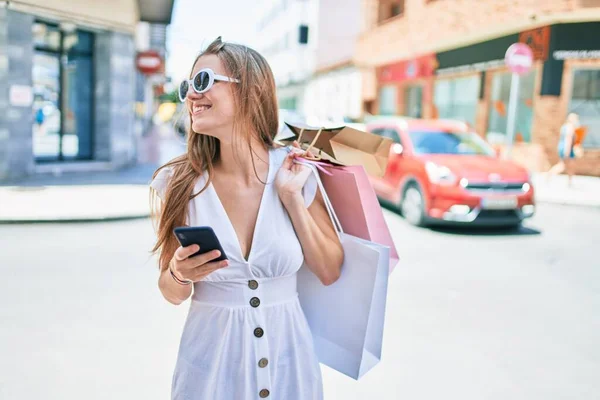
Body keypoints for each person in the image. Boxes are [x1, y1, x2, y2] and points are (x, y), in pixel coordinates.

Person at [149, 37, 343, 400]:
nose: (191, 95)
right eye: (187, 87)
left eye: (203, 81)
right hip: (209, 375)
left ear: (250, 91)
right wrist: (178, 272)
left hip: (290, 370)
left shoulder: (297, 169)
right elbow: (170, 292)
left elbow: (330, 270)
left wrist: (291, 199)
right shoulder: (177, 183)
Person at [548, 112, 579, 186]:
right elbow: (568, 139)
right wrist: (567, 151)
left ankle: (570, 181)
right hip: (567, 148)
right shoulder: (570, 127)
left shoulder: (564, 127)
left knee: (568, 165)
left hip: (562, 147)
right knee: (563, 165)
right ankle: (549, 174)